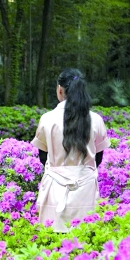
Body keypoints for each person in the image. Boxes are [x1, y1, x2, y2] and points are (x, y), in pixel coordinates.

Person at [31, 68, 110, 233]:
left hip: (54, 188)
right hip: (85, 191)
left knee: (53, 242)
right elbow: (98, 158)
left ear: (60, 89)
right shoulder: (96, 120)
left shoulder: (47, 119)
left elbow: (43, 157)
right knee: (85, 241)